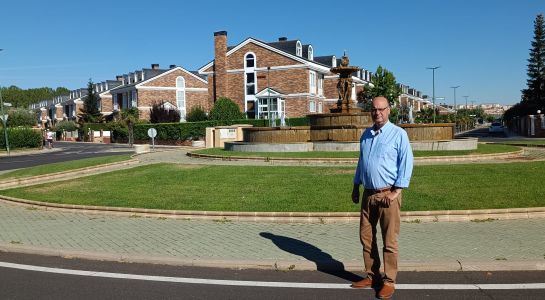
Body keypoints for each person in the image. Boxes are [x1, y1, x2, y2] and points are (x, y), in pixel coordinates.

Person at [351, 96, 413, 299]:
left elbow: (406, 163)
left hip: (388, 195)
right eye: (374, 110)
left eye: (381, 109)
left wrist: (396, 192)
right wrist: (355, 185)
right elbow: (362, 162)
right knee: (366, 238)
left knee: (389, 241)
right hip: (368, 194)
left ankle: (389, 281)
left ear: (389, 110)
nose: (377, 113)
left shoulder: (398, 134)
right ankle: (372, 275)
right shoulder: (366, 134)